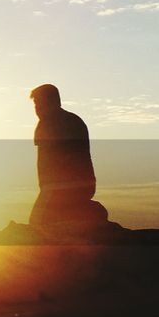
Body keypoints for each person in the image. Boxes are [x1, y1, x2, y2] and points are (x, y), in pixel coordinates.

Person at [29, 83, 106, 228]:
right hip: (85, 185)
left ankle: (91, 212)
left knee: (36, 225)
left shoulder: (48, 124)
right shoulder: (74, 120)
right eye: (35, 104)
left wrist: (46, 189)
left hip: (59, 187)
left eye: (39, 103)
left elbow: (47, 162)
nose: (37, 109)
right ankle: (89, 211)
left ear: (52, 102)